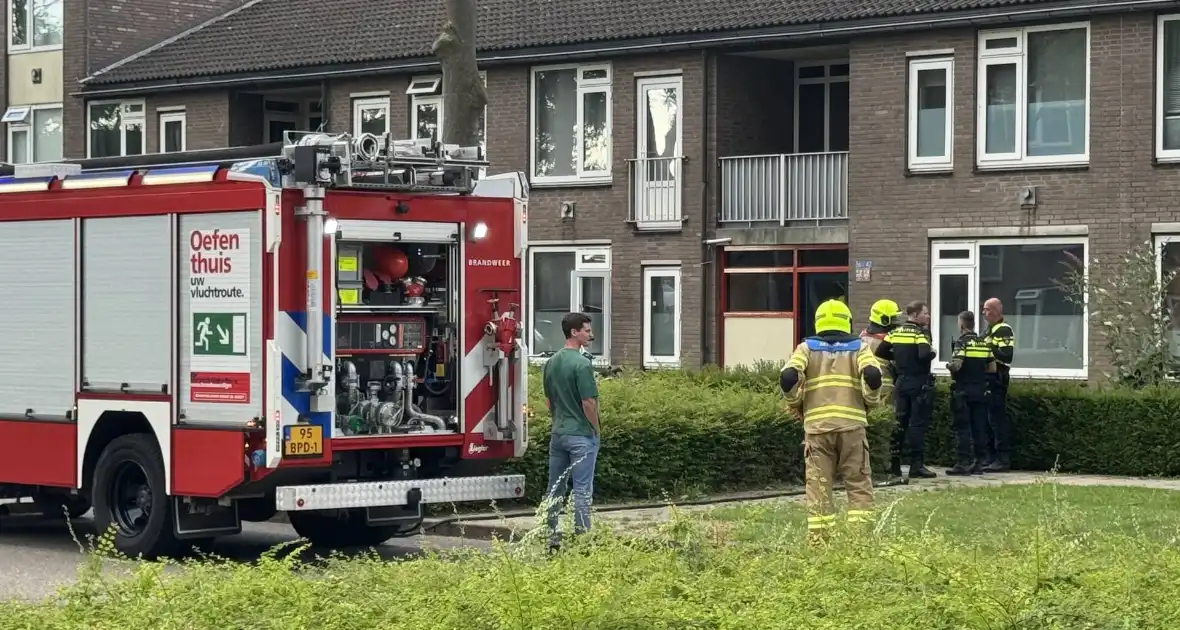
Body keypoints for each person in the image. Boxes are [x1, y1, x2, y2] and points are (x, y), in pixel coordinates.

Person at [780, 299, 884, 540]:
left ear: (818, 322)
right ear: (846, 321)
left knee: (818, 486)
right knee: (858, 483)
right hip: (852, 428)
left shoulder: (805, 348)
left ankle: (819, 540)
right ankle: (860, 540)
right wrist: (871, 400)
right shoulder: (860, 347)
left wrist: (794, 402)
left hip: (817, 430)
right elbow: (872, 375)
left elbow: (788, 376)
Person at [541, 312, 600, 553]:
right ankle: (583, 540)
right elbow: (589, 403)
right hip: (581, 435)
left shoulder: (551, 362)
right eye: (586, 330)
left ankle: (549, 536)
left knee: (554, 487)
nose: (590, 334)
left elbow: (548, 401)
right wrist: (595, 429)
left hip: (558, 434)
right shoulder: (582, 363)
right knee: (582, 489)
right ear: (574, 332)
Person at [874, 300, 937, 480]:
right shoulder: (921, 333)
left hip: (901, 382)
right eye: (925, 313)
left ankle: (894, 466)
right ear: (915, 315)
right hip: (918, 383)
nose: (928, 316)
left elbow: (880, 352)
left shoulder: (894, 332)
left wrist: (900, 356)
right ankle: (916, 466)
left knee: (899, 424)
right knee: (916, 425)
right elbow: (924, 354)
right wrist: (933, 353)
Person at [945, 310, 994, 476]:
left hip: (963, 390)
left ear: (961, 324)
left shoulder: (961, 343)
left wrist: (949, 366)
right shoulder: (983, 343)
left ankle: (963, 463)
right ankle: (980, 463)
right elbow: (992, 368)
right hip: (980, 390)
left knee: (963, 428)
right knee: (979, 427)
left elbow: (957, 366)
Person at [981, 298, 1015, 473]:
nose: (983, 313)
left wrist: (985, 347)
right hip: (987, 378)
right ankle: (990, 457)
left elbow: (1007, 356)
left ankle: (1002, 458)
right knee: (987, 420)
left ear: (996, 311)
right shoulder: (989, 330)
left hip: (998, 378)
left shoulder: (1003, 330)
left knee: (996, 419)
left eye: (986, 310)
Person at [860, 298, 902, 407]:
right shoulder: (889, 340)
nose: (896, 322)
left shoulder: (862, 336)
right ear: (883, 319)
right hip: (886, 392)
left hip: (865, 388)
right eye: (893, 318)